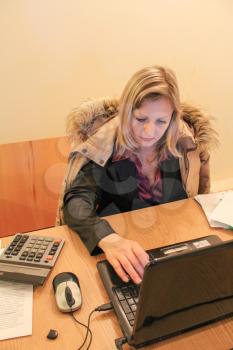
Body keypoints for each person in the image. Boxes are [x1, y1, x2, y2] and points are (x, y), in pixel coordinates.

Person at [61, 65, 218, 284]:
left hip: (173, 246)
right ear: (126, 113)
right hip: (123, 252)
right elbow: (76, 202)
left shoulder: (186, 146)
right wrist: (108, 238)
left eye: (161, 121)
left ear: (172, 119)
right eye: (141, 119)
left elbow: (198, 196)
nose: (149, 132)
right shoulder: (106, 144)